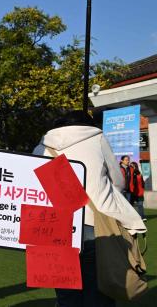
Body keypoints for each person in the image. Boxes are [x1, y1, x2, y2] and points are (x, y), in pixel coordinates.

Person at [33, 110, 146, 307]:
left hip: (52, 228)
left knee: (66, 295)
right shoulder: (97, 138)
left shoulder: (41, 147)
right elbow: (118, 181)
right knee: (99, 290)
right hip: (94, 224)